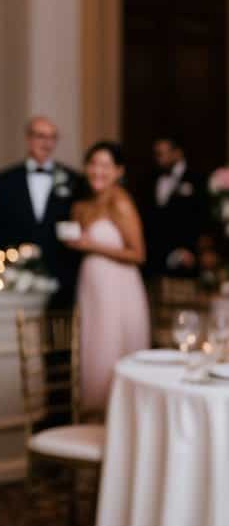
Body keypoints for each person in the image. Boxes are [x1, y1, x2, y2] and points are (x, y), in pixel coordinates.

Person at [67, 140, 151, 411]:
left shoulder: (121, 203)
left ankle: (116, 419)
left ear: (118, 171)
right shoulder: (81, 206)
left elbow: (138, 254)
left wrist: (93, 246)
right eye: (93, 164)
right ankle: (92, 417)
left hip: (119, 289)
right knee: (92, 350)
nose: (97, 171)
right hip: (91, 289)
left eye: (105, 165)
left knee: (111, 350)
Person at [0, 116, 80, 307]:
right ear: (28, 139)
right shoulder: (6, 179)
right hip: (16, 273)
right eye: (40, 136)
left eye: (52, 137)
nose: (46, 143)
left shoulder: (73, 179)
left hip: (61, 274)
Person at [141, 136, 208, 278]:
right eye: (156, 154)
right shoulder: (149, 179)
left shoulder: (197, 178)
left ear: (177, 153)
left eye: (161, 154)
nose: (157, 158)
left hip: (187, 256)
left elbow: (201, 218)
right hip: (155, 256)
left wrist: (192, 250)